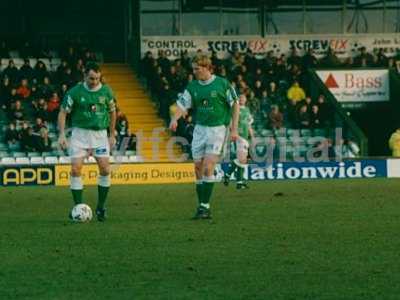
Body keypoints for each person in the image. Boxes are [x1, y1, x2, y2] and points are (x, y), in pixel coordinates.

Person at [169, 54, 239, 220]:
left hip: (217, 130)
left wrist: (234, 129)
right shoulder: (193, 86)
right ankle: (202, 206)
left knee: (208, 166)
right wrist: (174, 119)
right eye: (193, 69)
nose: (194, 72)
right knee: (198, 168)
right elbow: (182, 105)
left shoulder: (223, 84)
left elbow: (235, 105)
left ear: (207, 67)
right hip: (200, 130)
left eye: (197, 69)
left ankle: (205, 207)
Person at [58, 62, 116, 222]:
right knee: (76, 170)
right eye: (91, 78)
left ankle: (101, 207)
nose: (95, 82)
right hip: (80, 135)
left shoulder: (106, 91)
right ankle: (78, 208)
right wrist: (62, 134)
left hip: (100, 135)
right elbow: (63, 112)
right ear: (85, 76)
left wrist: (112, 134)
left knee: (105, 169)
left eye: (97, 78)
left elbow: (112, 112)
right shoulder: (75, 92)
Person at [223, 94, 254, 189]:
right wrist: (233, 132)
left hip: (245, 137)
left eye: (243, 98)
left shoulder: (247, 110)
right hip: (238, 136)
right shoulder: (235, 108)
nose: (242, 99)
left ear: (245, 100)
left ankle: (239, 182)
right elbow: (231, 122)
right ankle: (228, 174)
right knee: (242, 159)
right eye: (240, 98)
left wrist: (252, 135)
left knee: (243, 160)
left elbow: (248, 124)